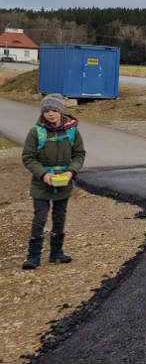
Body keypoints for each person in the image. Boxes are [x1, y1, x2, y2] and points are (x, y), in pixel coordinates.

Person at [20, 94, 85, 269]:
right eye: (47, 110)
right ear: (42, 112)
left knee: (59, 216)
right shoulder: (36, 132)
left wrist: (72, 171)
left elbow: (79, 154)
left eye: (54, 110)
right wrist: (43, 174)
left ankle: (56, 253)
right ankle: (33, 256)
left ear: (60, 111)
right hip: (41, 183)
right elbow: (28, 157)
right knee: (40, 218)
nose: (51, 114)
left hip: (64, 181)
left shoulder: (72, 131)